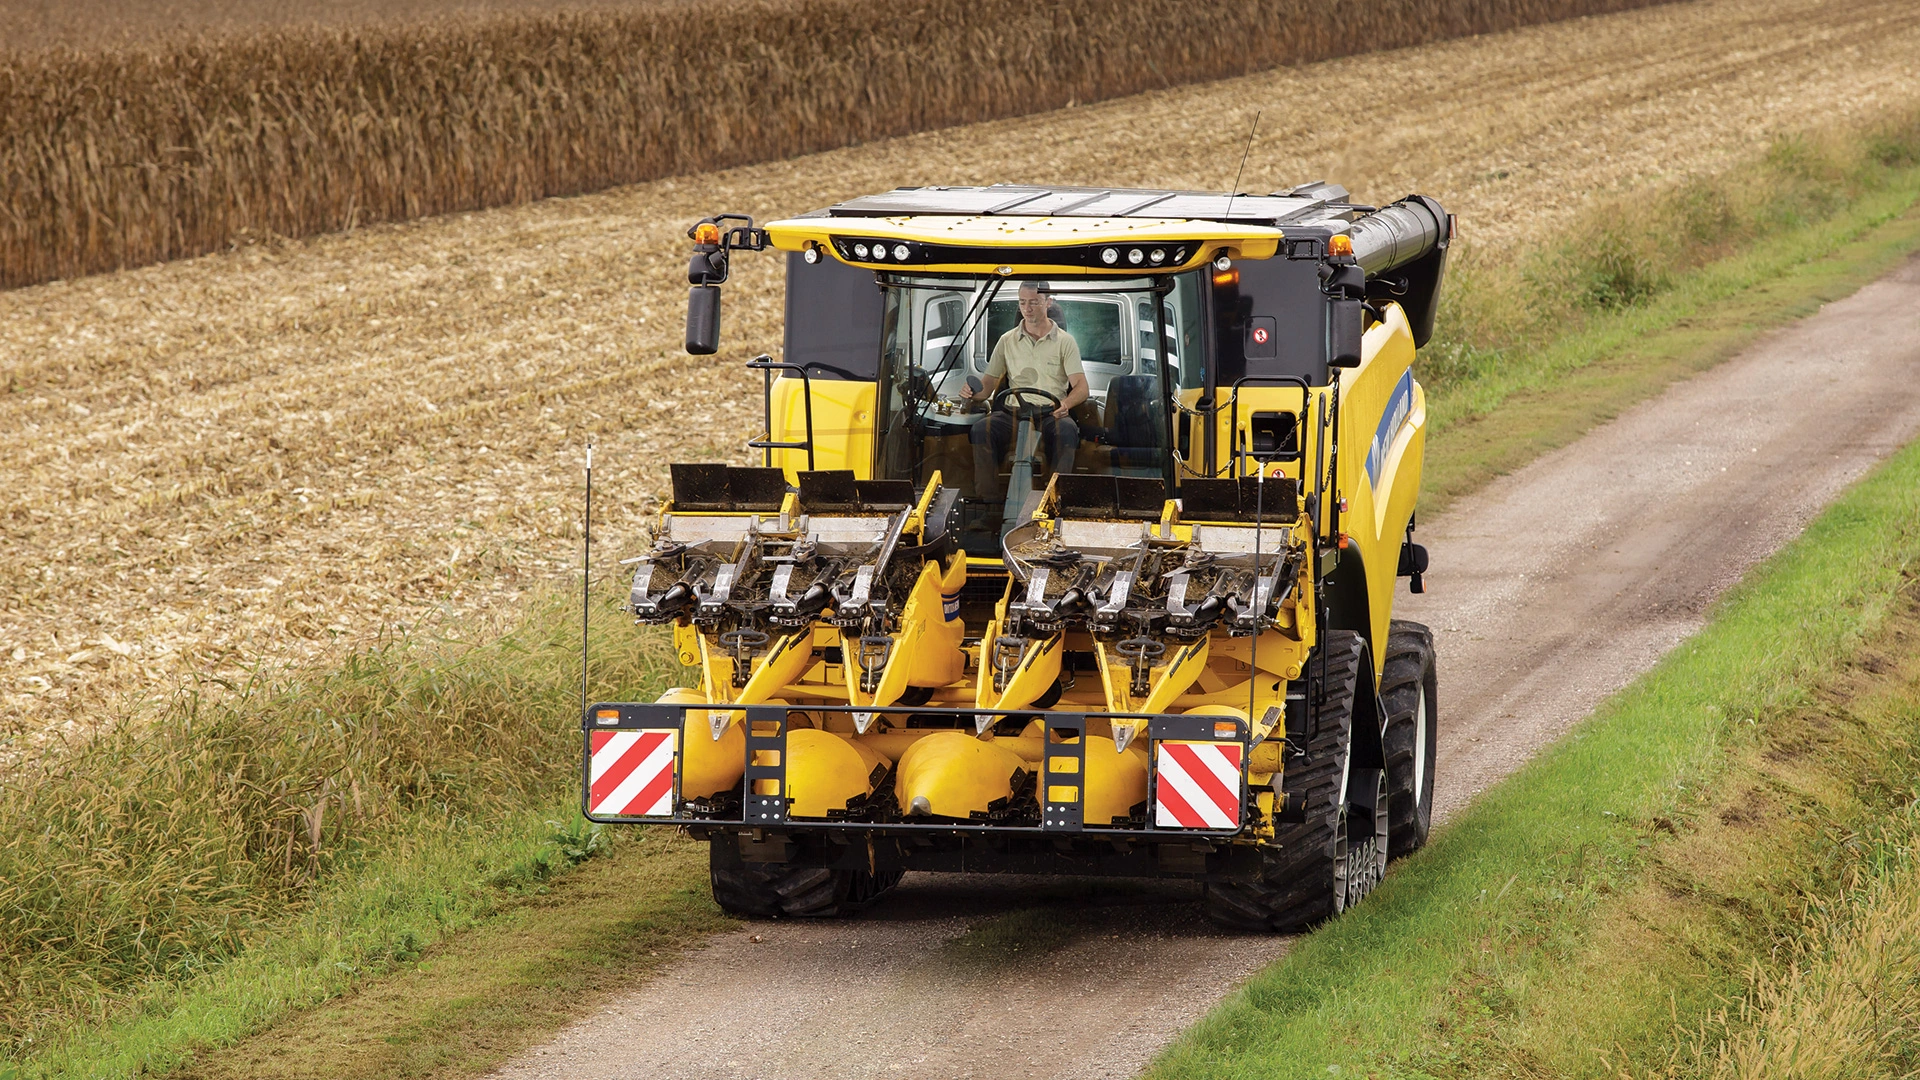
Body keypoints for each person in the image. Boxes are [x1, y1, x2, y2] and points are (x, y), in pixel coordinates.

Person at [961, 280, 1089, 498]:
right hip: (1012, 413)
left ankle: (1054, 502)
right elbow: (988, 385)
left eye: (1034, 302)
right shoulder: (1006, 340)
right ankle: (987, 504)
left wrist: (1066, 405)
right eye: (1022, 302)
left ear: (1048, 302)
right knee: (982, 429)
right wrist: (972, 393)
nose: (1027, 309)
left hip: (1051, 414)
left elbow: (1081, 387)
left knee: (1067, 431)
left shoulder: (1065, 342)